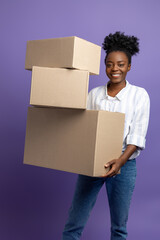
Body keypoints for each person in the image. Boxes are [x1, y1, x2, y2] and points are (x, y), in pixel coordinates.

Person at [62, 32, 150, 240]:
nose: (114, 69)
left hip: (124, 165)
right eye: (109, 64)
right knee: (74, 222)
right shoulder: (94, 94)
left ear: (129, 66)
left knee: (119, 226)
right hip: (92, 162)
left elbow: (137, 136)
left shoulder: (139, 95)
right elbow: (82, 128)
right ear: (104, 66)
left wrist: (119, 162)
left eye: (120, 64)